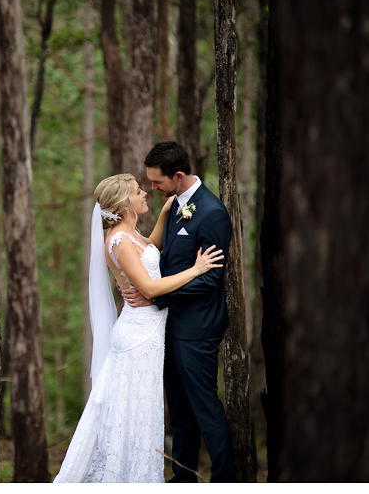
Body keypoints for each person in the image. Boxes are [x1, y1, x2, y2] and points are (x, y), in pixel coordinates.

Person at [53, 173, 224, 483]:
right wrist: (196, 270)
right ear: (124, 204)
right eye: (137, 192)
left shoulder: (129, 234)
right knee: (129, 412)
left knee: (141, 412)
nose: (145, 193)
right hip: (137, 335)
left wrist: (161, 215)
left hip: (149, 332)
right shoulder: (118, 240)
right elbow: (149, 287)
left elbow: (151, 247)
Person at [122, 140, 237, 482]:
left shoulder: (212, 213)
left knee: (205, 408)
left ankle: (226, 480)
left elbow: (210, 279)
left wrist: (155, 298)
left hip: (198, 328)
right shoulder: (174, 205)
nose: (152, 188)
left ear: (179, 175)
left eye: (157, 182)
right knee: (181, 411)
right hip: (169, 326)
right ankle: (184, 478)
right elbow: (158, 253)